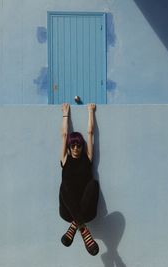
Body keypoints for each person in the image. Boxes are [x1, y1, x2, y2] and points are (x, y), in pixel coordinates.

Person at [59, 103, 99, 256]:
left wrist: (90, 111)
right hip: (67, 212)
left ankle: (75, 225)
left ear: (82, 146)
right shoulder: (65, 159)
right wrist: (65, 115)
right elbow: (64, 135)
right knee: (64, 186)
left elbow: (90, 132)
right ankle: (82, 228)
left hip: (86, 211)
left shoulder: (87, 158)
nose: (75, 148)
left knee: (93, 184)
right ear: (69, 147)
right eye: (73, 144)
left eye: (79, 145)